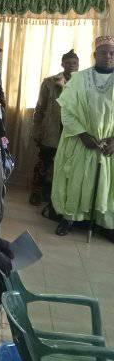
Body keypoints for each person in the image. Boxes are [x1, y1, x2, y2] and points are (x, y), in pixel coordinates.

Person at [52, 35, 114, 236]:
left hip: (109, 145)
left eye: (112, 53)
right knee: (76, 180)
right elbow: (66, 111)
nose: (108, 56)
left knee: (106, 185)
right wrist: (83, 134)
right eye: (103, 53)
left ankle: (106, 223)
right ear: (95, 54)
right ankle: (69, 218)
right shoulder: (78, 79)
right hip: (82, 141)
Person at [31, 49, 79, 206]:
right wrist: (36, 129)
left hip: (72, 131)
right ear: (62, 64)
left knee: (65, 166)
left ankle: (54, 194)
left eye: (75, 63)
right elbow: (40, 107)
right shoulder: (50, 82)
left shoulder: (82, 82)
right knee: (44, 162)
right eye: (68, 63)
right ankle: (36, 192)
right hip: (51, 130)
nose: (72, 66)